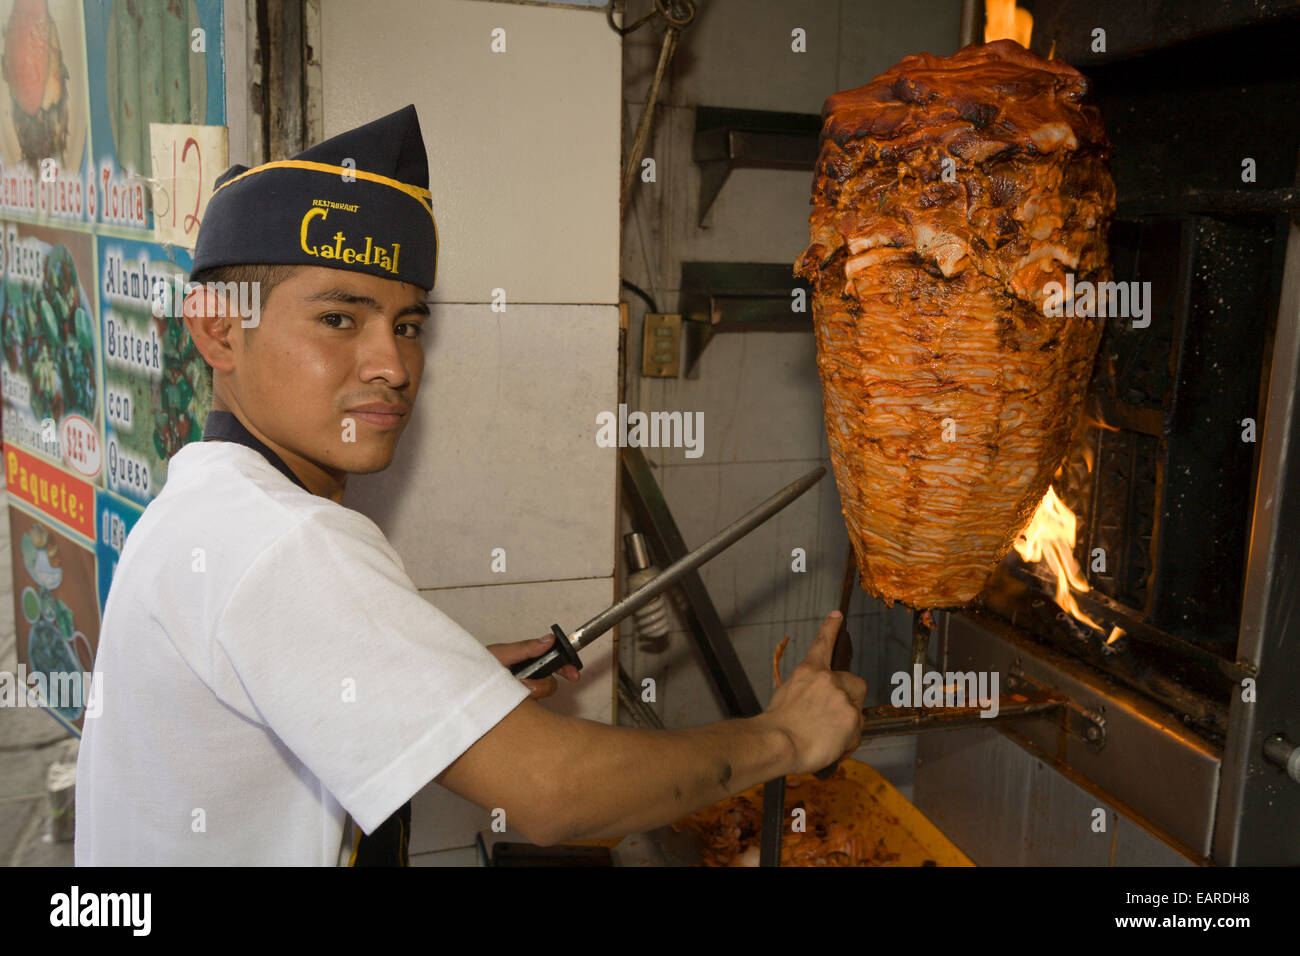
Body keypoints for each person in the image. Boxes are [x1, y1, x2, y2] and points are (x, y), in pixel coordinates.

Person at [74, 105, 865, 865]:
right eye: (339, 320)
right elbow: (557, 794)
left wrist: (440, 688)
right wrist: (785, 738)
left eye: (408, 325)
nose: (392, 365)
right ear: (218, 328)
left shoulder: (214, 498)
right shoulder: (286, 541)